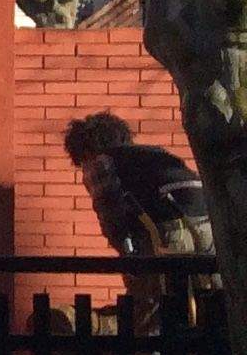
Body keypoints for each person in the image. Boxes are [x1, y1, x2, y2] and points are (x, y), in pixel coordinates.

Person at [62, 111, 217, 259]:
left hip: (168, 230)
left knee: (149, 283)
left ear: (85, 150)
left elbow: (110, 212)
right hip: (208, 225)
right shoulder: (154, 154)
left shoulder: (100, 162)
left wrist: (126, 254)